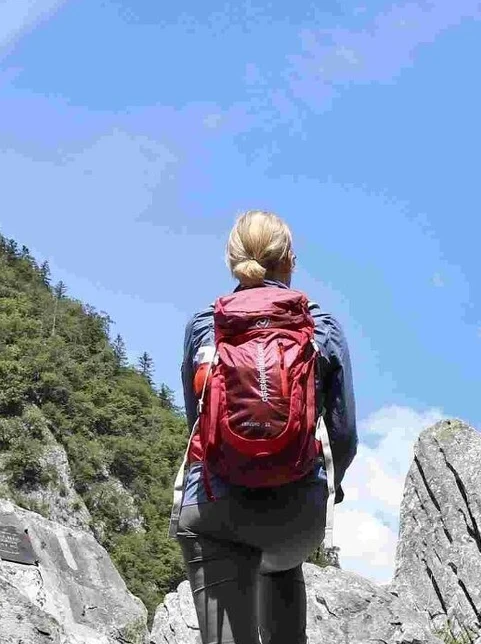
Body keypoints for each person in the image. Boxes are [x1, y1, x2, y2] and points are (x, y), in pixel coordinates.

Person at [172, 211, 358, 644]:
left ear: (232, 260)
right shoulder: (320, 326)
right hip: (298, 513)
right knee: (281, 560)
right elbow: (344, 433)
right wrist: (332, 484)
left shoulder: (205, 325)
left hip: (218, 509)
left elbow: (197, 421)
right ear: (289, 260)